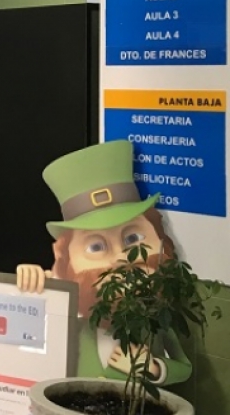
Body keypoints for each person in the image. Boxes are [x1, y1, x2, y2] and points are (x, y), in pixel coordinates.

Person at [15, 140, 191, 384]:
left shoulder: (155, 318)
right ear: (66, 259)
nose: (120, 258)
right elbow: (27, 343)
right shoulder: (72, 317)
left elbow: (184, 367)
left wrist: (153, 367)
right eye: (96, 247)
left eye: (133, 238)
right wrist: (32, 286)